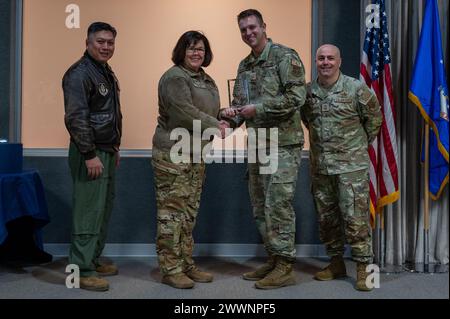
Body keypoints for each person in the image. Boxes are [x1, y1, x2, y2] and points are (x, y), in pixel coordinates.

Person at [220, 9, 306, 289]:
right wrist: (226, 119)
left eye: (252, 27)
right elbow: (240, 106)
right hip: (257, 145)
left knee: (278, 203)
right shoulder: (244, 65)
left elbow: (297, 97)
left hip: (282, 144)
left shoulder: (285, 56)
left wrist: (258, 108)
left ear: (264, 26)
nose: (248, 33)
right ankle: (273, 257)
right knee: (260, 205)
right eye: (243, 29)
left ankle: (285, 266)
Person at [300, 44, 382, 291]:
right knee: (327, 219)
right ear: (316, 61)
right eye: (321, 58)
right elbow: (307, 119)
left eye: (330, 58)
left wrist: (355, 146)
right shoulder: (308, 92)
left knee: (355, 219)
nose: (325, 62)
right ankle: (336, 263)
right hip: (321, 168)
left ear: (339, 61)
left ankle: (364, 269)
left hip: (351, 169)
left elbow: (374, 119)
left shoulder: (356, 89)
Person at [152, 31, 229, 289]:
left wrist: (226, 115)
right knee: (172, 213)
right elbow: (182, 113)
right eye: (191, 48)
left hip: (196, 154)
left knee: (188, 214)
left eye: (201, 49)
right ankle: (170, 268)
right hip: (174, 154)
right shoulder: (175, 77)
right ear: (181, 51)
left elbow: (206, 112)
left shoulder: (205, 80)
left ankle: (185, 263)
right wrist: (214, 124)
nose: (197, 53)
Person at [62, 22, 122, 292]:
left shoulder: (104, 72)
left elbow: (108, 116)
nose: (106, 46)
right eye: (100, 41)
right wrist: (89, 154)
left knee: (102, 210)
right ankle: (80, 270)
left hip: (105, 151)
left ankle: (92, 260)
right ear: (88, 42)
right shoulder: (79, 73)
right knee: (87, 213)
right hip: (90, 153)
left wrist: (114, 148)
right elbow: (76, 117)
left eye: (110, 42)